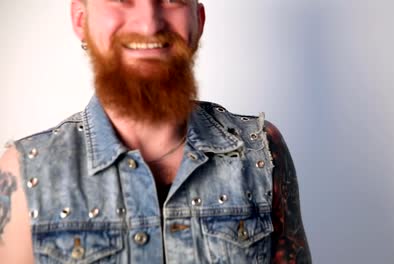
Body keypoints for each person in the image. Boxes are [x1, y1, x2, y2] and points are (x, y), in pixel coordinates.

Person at [0, 0, 311, 263]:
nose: (149, 24)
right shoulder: (25, 172)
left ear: (198, 20)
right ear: (81, 20)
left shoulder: (260, 148)